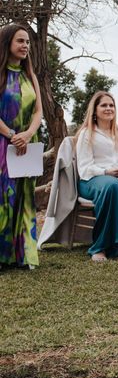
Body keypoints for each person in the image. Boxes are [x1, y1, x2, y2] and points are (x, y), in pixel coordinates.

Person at [75, 91, 118, 262]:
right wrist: (106, 172)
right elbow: (84, 168)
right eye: (104, 105)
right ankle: (100, 247)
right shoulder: (87, 133)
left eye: (111, 105)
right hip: (92, 181)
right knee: (112, 185)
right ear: (95, 110)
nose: (108, 108)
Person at [0, 23, 43, 270]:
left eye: (27, 42)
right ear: (7, 43)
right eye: (20, 41)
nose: (25, 46)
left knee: (24, 197)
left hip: (26, 144)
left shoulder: (30, 76)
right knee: (4, 196)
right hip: (3, 143)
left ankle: (21, 255)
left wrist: (27, 134)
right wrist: (11, 134)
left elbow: (38, 111)